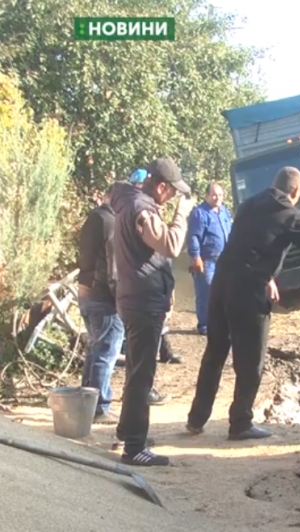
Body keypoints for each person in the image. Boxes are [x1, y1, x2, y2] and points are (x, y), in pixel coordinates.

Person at [186, 166, 300, 441]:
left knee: (215, 352)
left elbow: (247, 242)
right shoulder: (291, 215)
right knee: (251, 359)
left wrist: (268, 275)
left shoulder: (248, 205)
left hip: (222, 283)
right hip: (248, 289)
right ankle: (240, 423)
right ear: (295, 191)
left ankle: (196, 419)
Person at [111, 157, 195, 466]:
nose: (174, 198)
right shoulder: (142, 210)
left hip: (135, 298)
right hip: (143, 302)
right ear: (161, 187)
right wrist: (181, 215)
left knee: (136, 368)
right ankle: (134, 447)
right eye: (173, 193)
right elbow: (170, 245)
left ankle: (128, 431)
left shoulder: (131, 202)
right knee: (141, 376)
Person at [78, 183, 124, 425]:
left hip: (85, 292)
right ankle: (99, 406)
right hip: (103, 297)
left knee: (95, 349)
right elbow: (114, 269)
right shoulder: (112, 223)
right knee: (107, 351)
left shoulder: (93, 217)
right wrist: (121, 297)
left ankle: (86, 400)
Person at [187, 182, 232, 335]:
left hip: (225, 260)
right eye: (214, 194)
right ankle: (204, 325)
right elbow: (193, 237)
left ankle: (222, 322)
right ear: (206, 196)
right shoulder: (199, 213)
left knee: (224, 292)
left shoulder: (224, 211)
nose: (217, 197)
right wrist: (196, 257)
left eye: (220, 195)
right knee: (206, 292)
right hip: (207, 261)